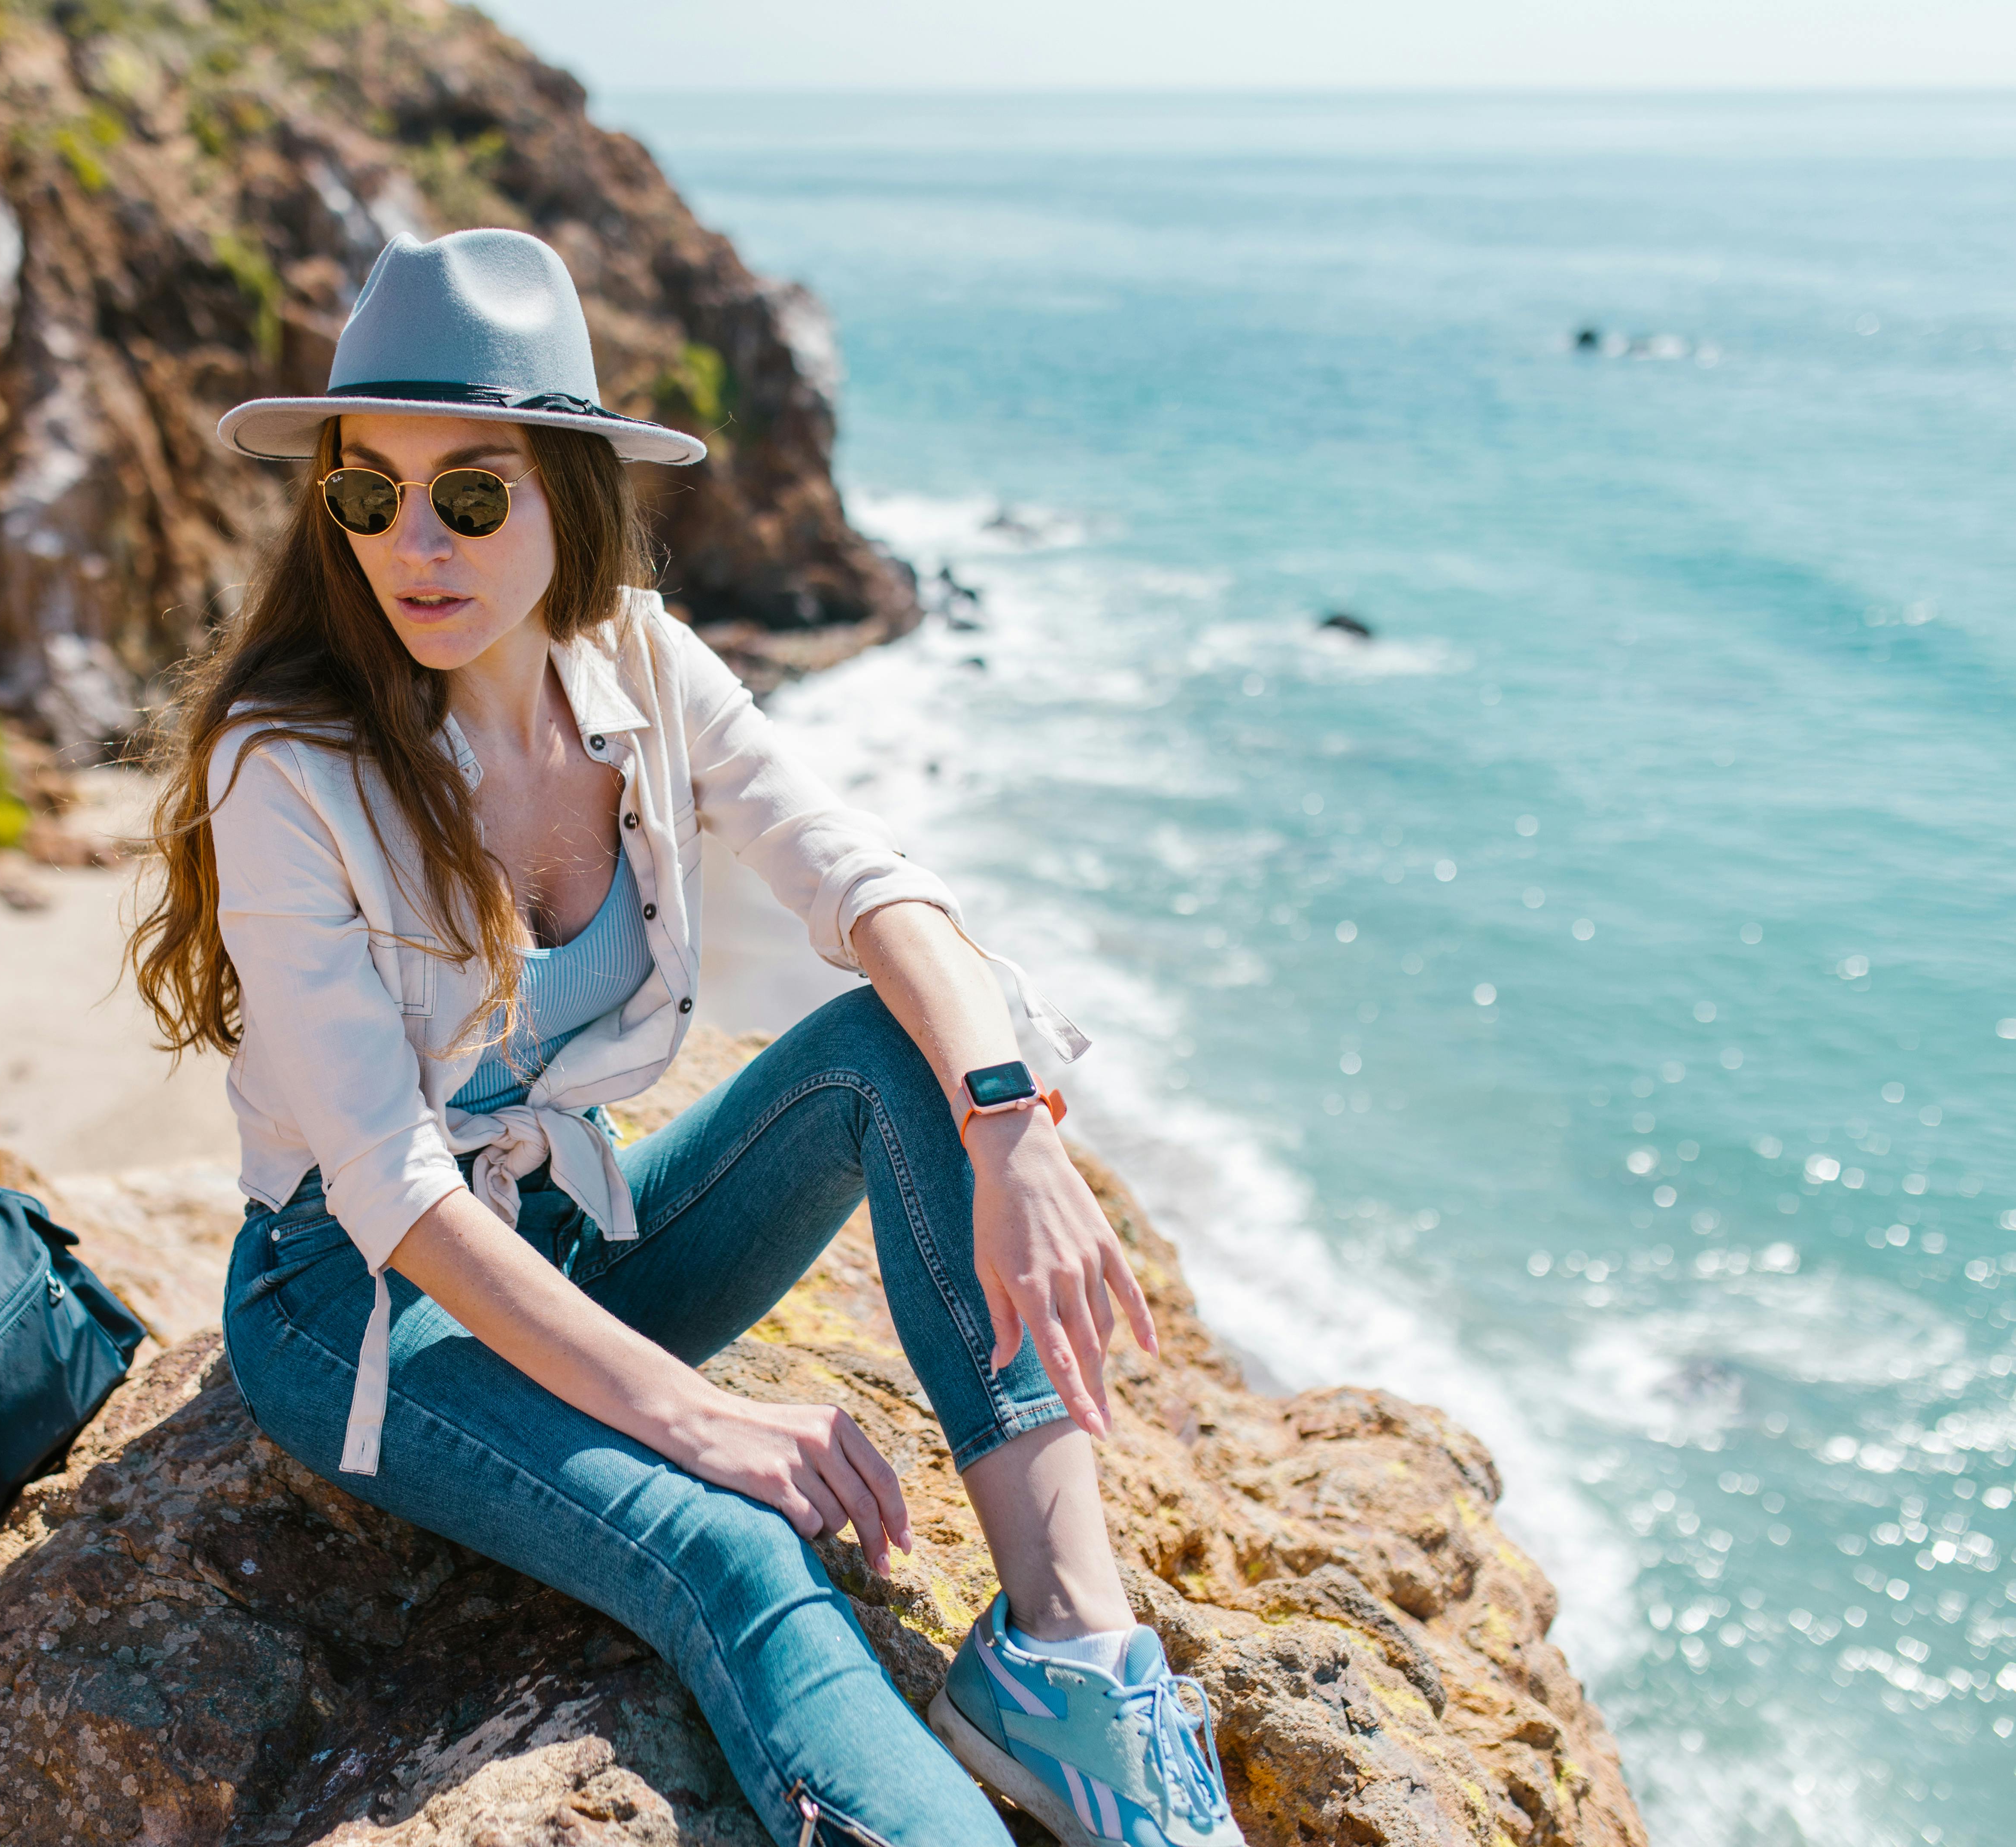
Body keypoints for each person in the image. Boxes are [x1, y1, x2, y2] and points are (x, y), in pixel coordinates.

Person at [132, 228, 1244, 1847]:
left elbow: (864, 882)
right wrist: (701, 1418)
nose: (412, 542)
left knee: (892, 1047)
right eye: (367, 492)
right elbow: (391, 1183)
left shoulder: (636, 660)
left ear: (569, 492)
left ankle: (1067, 1659)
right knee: (739, 1551)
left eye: (472, 490)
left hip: (576, 1240)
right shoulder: (287, 766)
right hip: (365, 1311)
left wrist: (1010, 1122)